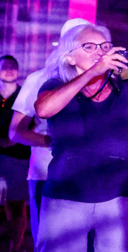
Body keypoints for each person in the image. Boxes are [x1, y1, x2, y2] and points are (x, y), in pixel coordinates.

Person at [33, 23, 128, 251]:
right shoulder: (57, 86)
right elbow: (44, 109)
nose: (99, 52)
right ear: (70, 58)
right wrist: (92, 73)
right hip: (65, 197)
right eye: (89, 46)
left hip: (118, 200)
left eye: (104, 46)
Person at [9, 18, 91, 251]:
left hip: (90, 175)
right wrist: (56, 141)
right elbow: (16, 131)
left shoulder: (101, 83)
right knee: (49, 242)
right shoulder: (39, 79)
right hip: (48, 173)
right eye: (85, 44)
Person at [0, 55, 29, 252]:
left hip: (17, 159)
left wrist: (14, 138)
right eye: (5, 67)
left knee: (17, 206)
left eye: (13, 67)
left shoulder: (25, 95)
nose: (10, 70)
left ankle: (15, 247)